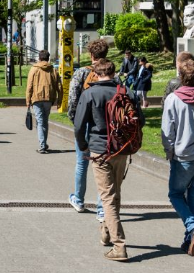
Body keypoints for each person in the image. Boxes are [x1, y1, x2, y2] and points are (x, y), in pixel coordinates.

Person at [73, 59, 145, 262]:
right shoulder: (126, 92)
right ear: (113, 73)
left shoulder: (89, 94)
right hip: (121, 149)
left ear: (95, 74)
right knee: (115, 193)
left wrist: (83, 145)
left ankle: (119, 245)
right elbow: (141, 120)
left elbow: (79, 126)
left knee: (107, 196)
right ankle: (106, 231)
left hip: (99, 149)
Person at [161, 60, 194, 256]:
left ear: (181, 78)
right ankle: (190, 239)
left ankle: (192, 226)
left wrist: (169, 151)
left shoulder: (173, 99)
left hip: (183, 156)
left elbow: (167, 131)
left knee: (175, 194)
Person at [66, 39, 108, 222]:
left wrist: (76, 122)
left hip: (84, 125)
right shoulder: (111, 74)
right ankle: (102, 208)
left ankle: (79, 199)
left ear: (91, 54)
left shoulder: (81, 73)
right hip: (105, 126)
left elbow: (72, 101)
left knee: (82, 163)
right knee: (102, 166)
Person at [25, 50, 61, 153]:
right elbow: (59, 86)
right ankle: (44, 143)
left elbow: (29, 86)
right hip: (49, 99)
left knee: (40, 122)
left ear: (39, 58)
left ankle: (42, 146)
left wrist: (28, 100)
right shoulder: (53, 70)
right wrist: (59, 100)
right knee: (44, 121)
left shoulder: (34, 69)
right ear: (48, 58)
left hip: (36, 98)